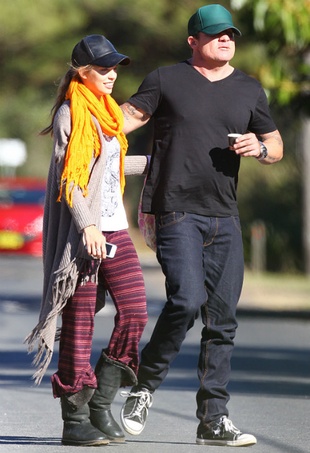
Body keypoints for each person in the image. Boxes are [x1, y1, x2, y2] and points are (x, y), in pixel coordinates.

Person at [119, 4, 283, 448]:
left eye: (230, 33)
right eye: (214, 34)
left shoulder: (249, 89)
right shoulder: (166, 79)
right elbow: (127, 119)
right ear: (193, 40)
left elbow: (275, 144)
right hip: (174, 210)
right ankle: (144, 388)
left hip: (224, 216)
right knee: (187, 300)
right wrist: (83, 123)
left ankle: (213, 420)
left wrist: (260, 149)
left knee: (223, 321)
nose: (226, 39)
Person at [25, 34, 148, 447]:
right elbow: (71, 179)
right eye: (104, 68)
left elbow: (106, 169)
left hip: (114, 228)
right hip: (84, 235)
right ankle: (75, 419)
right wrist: (87, 227)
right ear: (83, 72)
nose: (112, 75)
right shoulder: (69, 114)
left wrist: (155, 163)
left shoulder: (108, 112)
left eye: (115, 68)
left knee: (134, 310)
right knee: (79, 325)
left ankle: (102, 400)